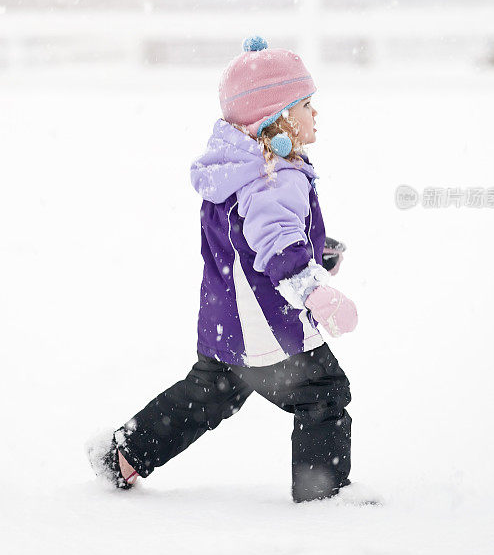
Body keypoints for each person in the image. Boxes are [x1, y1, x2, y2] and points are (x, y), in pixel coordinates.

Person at [87, 36, 361, 503]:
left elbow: (248, 235)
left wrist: (315, 247)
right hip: (269, 330)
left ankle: (126, 453)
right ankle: (323, 499)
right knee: (323, 395)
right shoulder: (275, 174)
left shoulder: (235, 168)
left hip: (226, 320)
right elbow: (276, 244)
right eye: (305, 104)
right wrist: (316, 291)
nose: (315, 113)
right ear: (275, 119)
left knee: (210, 393)